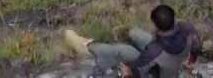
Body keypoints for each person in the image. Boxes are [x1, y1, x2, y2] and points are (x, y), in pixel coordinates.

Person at [64, 4, 201, 76]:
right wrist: (191, 61)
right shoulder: (187, 30)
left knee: (121, 51)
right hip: (168, 57)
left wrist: (127, 72)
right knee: (134, 34)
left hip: (159, 68)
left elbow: (137, 69)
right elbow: (196, 46)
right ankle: (116, 38)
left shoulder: (153, 51)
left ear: (156, 26)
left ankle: (87, 47)